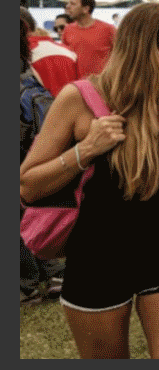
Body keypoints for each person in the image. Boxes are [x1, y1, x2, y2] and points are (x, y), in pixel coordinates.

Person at [19, 3, 159, 358]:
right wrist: (86, 149)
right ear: (146, 51)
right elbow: (28, 184)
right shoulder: (78, 99)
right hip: (97, 259)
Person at [20, 15, 65, 306]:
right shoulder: (27, 63)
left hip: (23, 134)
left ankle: (26, 285)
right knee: (32, 207)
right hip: (35, 138)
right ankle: (53, 272)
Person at [21, 7, 79, 97]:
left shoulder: (25, 54)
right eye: (56, 29)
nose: (59, 31)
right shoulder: (69, 51)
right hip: (70, 107)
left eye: (62, 27)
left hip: (40, 108)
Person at [61, 0, 116, 78]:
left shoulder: (108, 29)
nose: (67, 6)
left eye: (73, 4)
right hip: (75, 86)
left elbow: (120, 56)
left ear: (86, 9)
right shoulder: (67, 29)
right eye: (68, 3)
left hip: (101, 86)